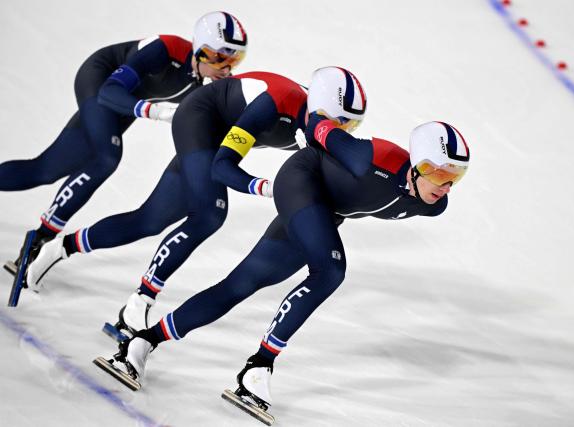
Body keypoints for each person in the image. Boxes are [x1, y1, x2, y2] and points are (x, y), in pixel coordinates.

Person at [95, 110, 470, 422]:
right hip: (301, 180)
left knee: (240, 285)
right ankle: (260, 364)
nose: (445, 186)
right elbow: (319, 123)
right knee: (331, 270)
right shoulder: (371, 157)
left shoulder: (433, 203)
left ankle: (143, 342)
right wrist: (314, 130)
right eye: (438, 173)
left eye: (455, 177)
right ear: (416, 166)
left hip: (324, 210)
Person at [27, 67, 367, 343]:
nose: (341, 131)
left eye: (352, 125)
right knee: (210, 214)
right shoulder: (275, 103)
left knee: (148, 220)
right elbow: (222, 165)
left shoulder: (316, 128)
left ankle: (61, 247)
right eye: (340, 122)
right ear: (317, 110)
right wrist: (259, 186)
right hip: (198, 120)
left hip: (212, 139)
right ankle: (141, 300)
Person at [0, 11, 248, 283]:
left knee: (45, 170)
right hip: (102, 83)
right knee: (106, 156)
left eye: (234, 60)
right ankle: (41, 238)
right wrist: (152, 111)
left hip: (126, 104)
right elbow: (109, 91)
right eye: (221, 58)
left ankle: (42, 237)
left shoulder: (203, 86)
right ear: (201, 51)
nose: (227, 68)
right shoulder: (166, 49)